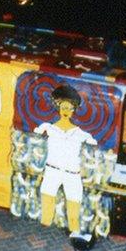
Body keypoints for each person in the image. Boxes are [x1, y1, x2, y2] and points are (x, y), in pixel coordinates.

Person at [34, 85, 96, 240]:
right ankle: (46, 222)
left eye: (69, 108)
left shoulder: (81, 133)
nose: (66, 110)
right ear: (58, 107)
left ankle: (74, 228)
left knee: (74, 199)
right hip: (52, 170)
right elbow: (35, 133)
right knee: (47, 194)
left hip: (72, 173)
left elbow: (93, 143)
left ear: (74, 110)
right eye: (63, 107)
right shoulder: (48, 127)